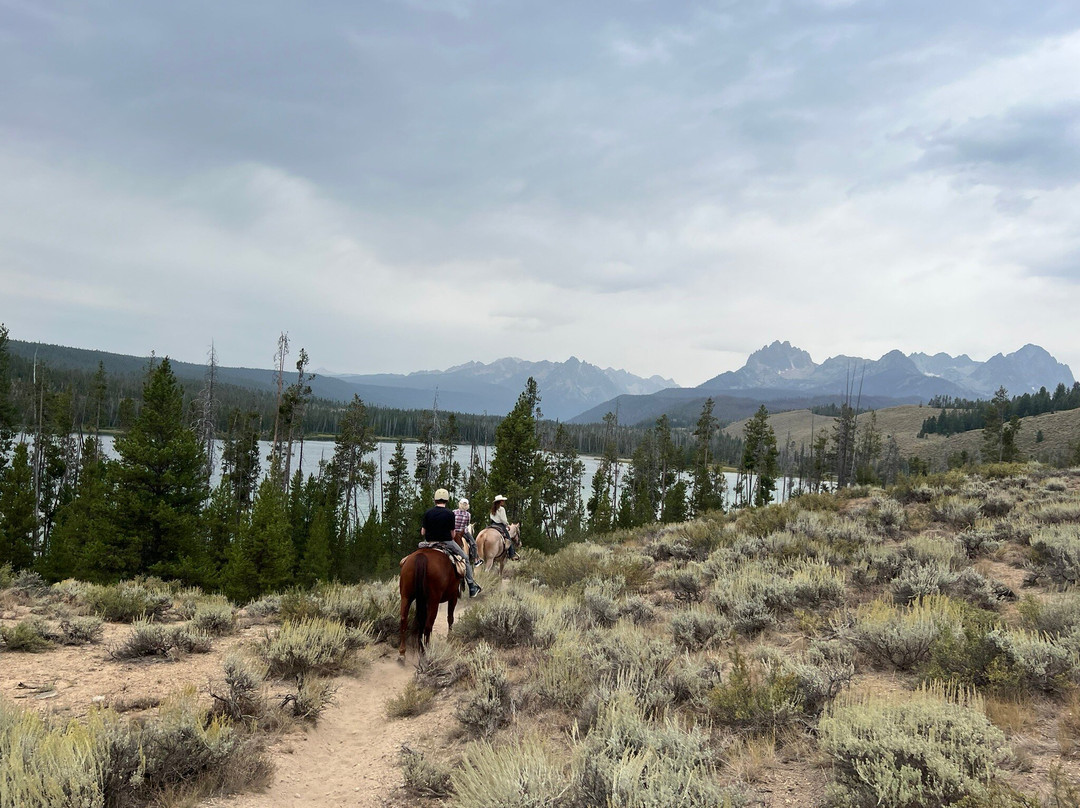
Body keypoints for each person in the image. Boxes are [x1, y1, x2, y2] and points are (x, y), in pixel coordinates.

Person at [421, 488, 481, 597]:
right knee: (465, 558)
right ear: (447, 501)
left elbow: (423, 532)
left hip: (429, 542)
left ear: (435, 500)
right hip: (446, 542)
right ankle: (471, 586)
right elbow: (453, 535)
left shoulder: (428, 512)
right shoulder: (450, 514)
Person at [489, 494, 519, 560]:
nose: (503, 502)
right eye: (502, 501)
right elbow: (503, 519)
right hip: (500, 525)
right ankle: (512, 554)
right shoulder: (502, 509)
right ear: (500, 501)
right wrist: (507, 524)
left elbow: (491, 517)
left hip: (492, 525)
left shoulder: (493, 509)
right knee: (508, 538)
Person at [454, 497, 479, 566]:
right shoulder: (468, 515)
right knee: (473, 543)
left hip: (454, 531)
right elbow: (467, 524)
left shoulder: (454, 512)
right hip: (463, 532)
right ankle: (475, 559)